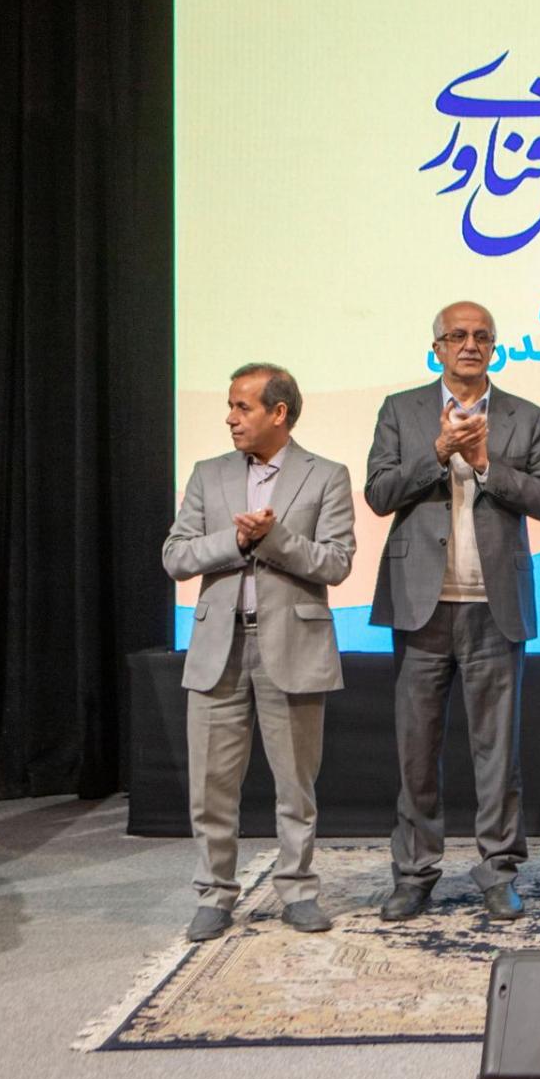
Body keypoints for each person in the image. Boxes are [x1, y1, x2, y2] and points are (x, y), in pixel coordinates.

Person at [366, 301, 540, 922]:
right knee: (415, 752)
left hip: (493, 607)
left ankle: (498, 871)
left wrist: (484, 465)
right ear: (438, 349)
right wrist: (437, 451)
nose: (470, 345)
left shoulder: (526, 416)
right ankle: (414, 873)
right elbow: (378, 493)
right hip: (421, 606)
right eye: (457, 336)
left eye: (482, 336)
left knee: (497, 753)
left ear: (494, 348)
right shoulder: (402, 410)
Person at [163, 364, 355, 941]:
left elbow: (336, 563)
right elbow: (176, 556)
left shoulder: (326, 475)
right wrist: (237, 540)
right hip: (218, 647)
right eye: (229, 406)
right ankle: (214, 895)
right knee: (211, 785)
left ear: (279, 413)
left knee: (296, 784)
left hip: (293, 646)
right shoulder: (208, 474)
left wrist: (274, 539)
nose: (230, 418)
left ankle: (297, 890)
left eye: (242, 407)